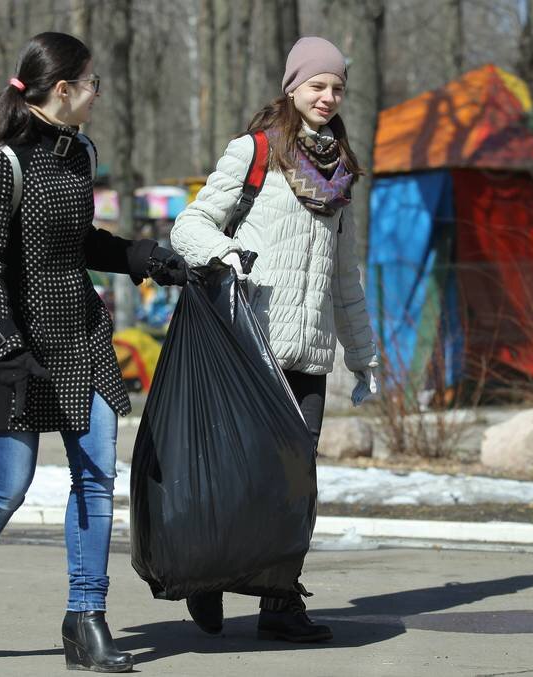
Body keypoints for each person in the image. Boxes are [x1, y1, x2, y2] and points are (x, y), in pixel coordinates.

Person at [0, 32, 185, 673]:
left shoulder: (79, 153)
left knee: (95, 482)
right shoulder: (0, 161)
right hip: (11, 345)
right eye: (91, 83)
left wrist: (141, 258)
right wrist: (7, 345)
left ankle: (86, 620)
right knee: (7, 487)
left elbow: (77, 243)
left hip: (80, 338)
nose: (98, 94)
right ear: (63, 89)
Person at [169, 36, 379, 643]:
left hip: (308, 353)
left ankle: (279, 607)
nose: (328, 96)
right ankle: (206, 578)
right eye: (317, 85)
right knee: (238, 477)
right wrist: (226, 252)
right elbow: (191, 225)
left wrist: (362, 356)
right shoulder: (255, 151)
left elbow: (346, 276)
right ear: (293, 87)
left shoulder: (342, 172)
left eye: (337, 87)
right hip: (250, 347)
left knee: (293, 486)